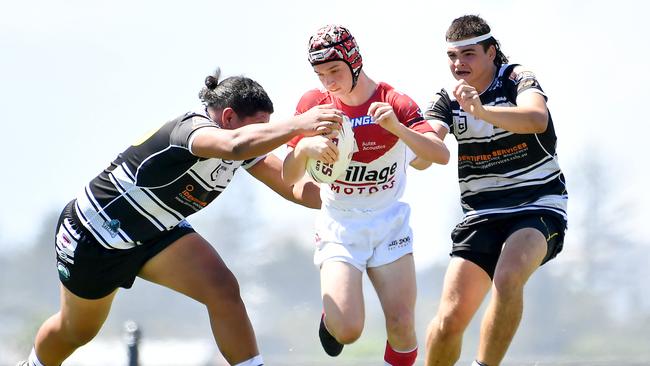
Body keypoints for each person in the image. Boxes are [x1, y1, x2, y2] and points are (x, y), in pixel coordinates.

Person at [17, 69, 342, 366]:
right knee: (76, 331)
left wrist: (354, 195)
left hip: (155, 234)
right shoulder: (194, 128)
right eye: (263, 128)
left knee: (222, 287)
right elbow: (235, 146)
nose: (268, 138)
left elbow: (296, 188)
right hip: (95, 235)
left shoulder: (243, 143)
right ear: (228, 117)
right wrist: (301, 124)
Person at [282, 24, 450, 365]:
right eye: (320, 74)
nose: (329, 82)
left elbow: (440, 155)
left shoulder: (393, 102)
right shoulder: (315, 104)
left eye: (334, 71)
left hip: (389, 222)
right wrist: (304, 150)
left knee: (403, 325)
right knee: (348, 330)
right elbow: (290, 175)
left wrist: (397, 129)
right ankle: (332, 320)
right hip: (340, 226)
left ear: (355, 62)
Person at [422, 15, 569, 366]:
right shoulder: (446, 99)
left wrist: (482, 111)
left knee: (508, 275)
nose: (459, 64)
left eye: (469, 54)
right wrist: (397, 132)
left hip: (539, 205)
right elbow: (427, 149)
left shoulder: (517, 78)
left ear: (491, 52)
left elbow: (536, 118)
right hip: (482, 214)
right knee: (449, 320)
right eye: (453, 57)